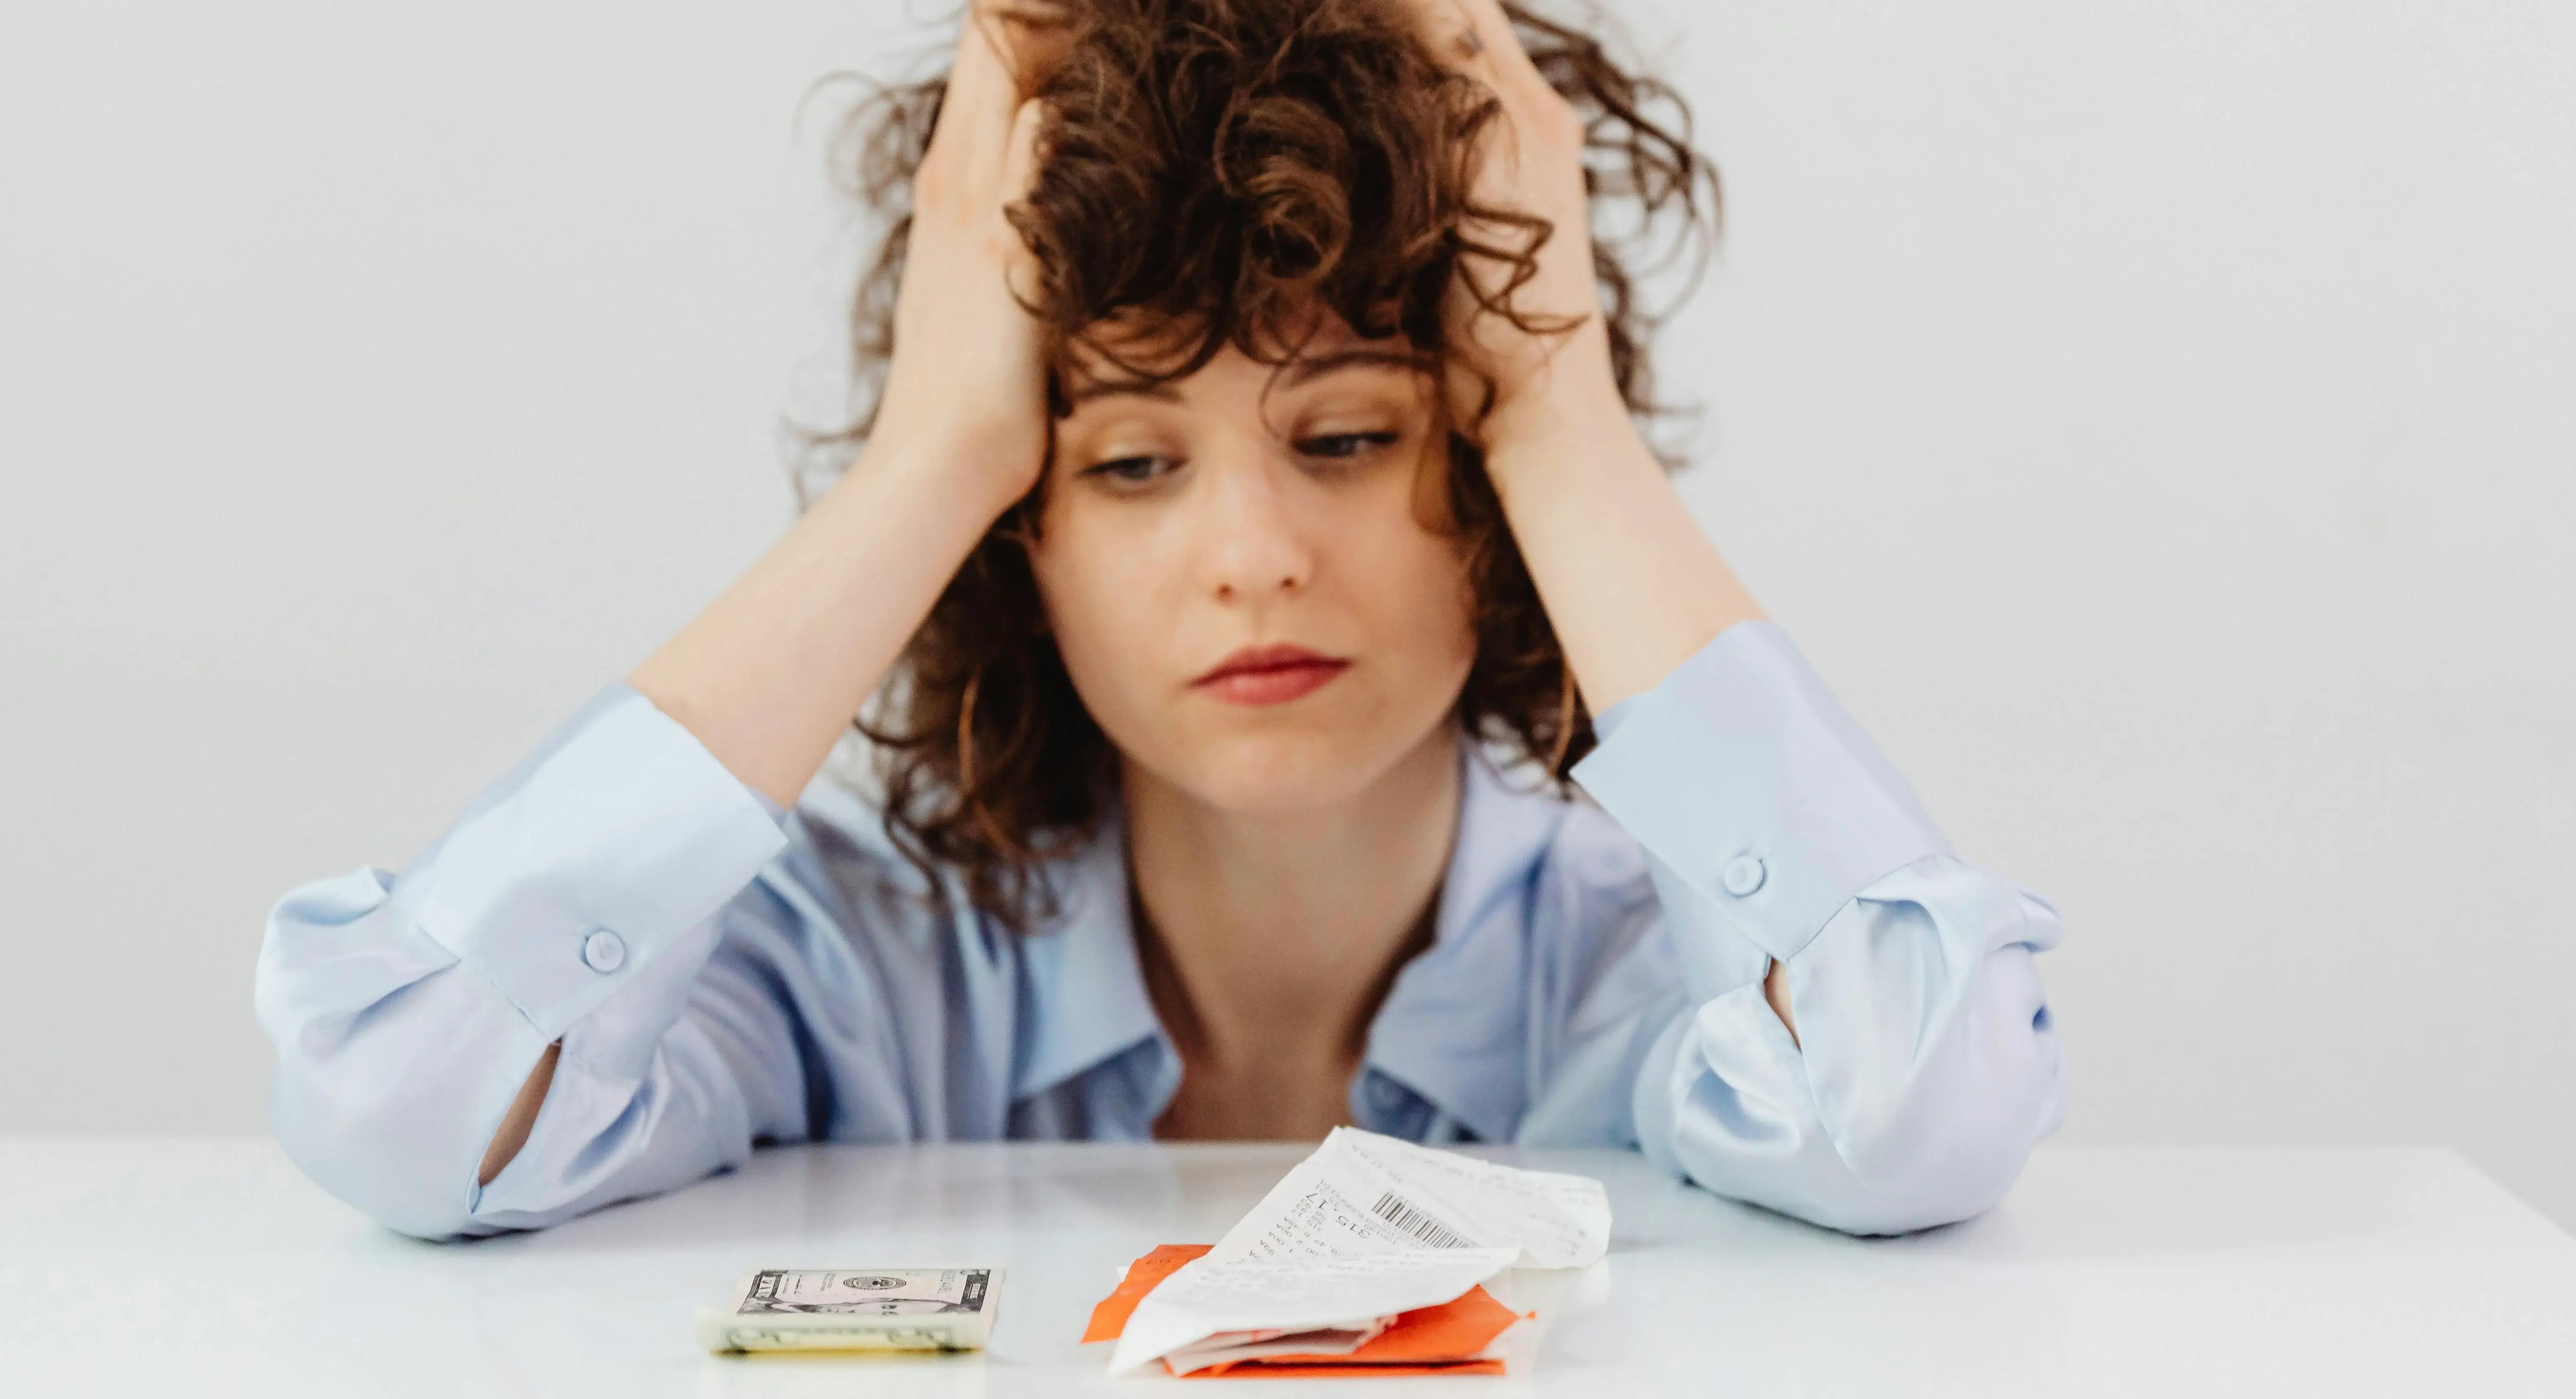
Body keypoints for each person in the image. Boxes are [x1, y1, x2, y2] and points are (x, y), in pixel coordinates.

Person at [252, 0, 2065, 1242]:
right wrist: (931, 457)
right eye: (1129, 466)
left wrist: (1560, 404)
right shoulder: (855, 977)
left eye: (1350, 438)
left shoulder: (1643, 979)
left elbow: (1910, 1104)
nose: (1254, 557)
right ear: (1018, 534)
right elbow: (408, 1110)